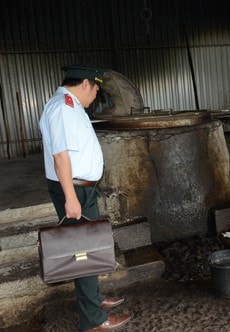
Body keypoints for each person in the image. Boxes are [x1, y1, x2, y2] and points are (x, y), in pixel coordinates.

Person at [39, 65, 131, 331]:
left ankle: (95, 299)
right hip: (74, 190)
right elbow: (60, 157)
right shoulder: (61, 108)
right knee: (82, 253)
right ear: (85, 83)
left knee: (87, 249)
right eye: (97, 86)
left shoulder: (72, 106)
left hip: (81, 188)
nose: (98, 91)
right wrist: (70, 197)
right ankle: (93, 321)